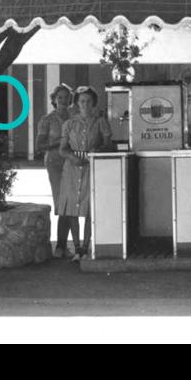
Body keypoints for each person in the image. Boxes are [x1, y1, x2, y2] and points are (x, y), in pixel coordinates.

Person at [58, 85, 112, 262]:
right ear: (77, 103)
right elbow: (62, 149)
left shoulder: (100, 122)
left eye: (89, 101)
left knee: (89, 207)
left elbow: (108, 144)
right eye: (82, 101)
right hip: (72, 168)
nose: (85, 104)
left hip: (92, 166)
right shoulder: (69, 124)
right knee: (73, 207)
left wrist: (97, 151)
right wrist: (73, 158)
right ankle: (76, 247)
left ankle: (86, 247)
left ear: (94, 103)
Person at [36, 83, 75, 258]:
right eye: (60, 97)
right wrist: (59, 143)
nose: (63, 100)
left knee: (70, 202)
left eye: (66, 97)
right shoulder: (47, 120)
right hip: (55, 162)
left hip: (73, 162)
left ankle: (63, 244)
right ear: (54, 99)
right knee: (61, 201)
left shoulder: (75, 118)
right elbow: (39, 145)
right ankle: (60, 245)